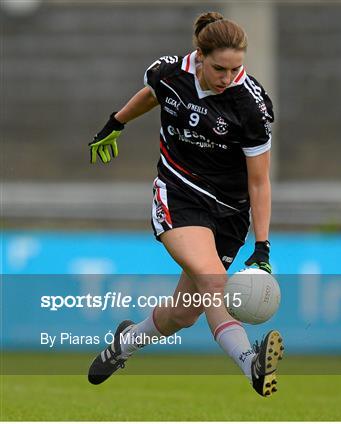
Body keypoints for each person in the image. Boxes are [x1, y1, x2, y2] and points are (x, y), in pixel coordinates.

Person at [87, 11, 284, 397]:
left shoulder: (251, 107)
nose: (228, 78)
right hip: (178, 193)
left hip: (229, 211)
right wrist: (116, 122)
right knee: (213, 279)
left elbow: (260, 182)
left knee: (185, 312)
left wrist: (261, 246)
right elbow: (153, 95)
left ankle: (122, 345)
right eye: (219, 69)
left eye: (236, 68)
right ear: (199, 55)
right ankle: (251, 365)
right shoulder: (169, 72)